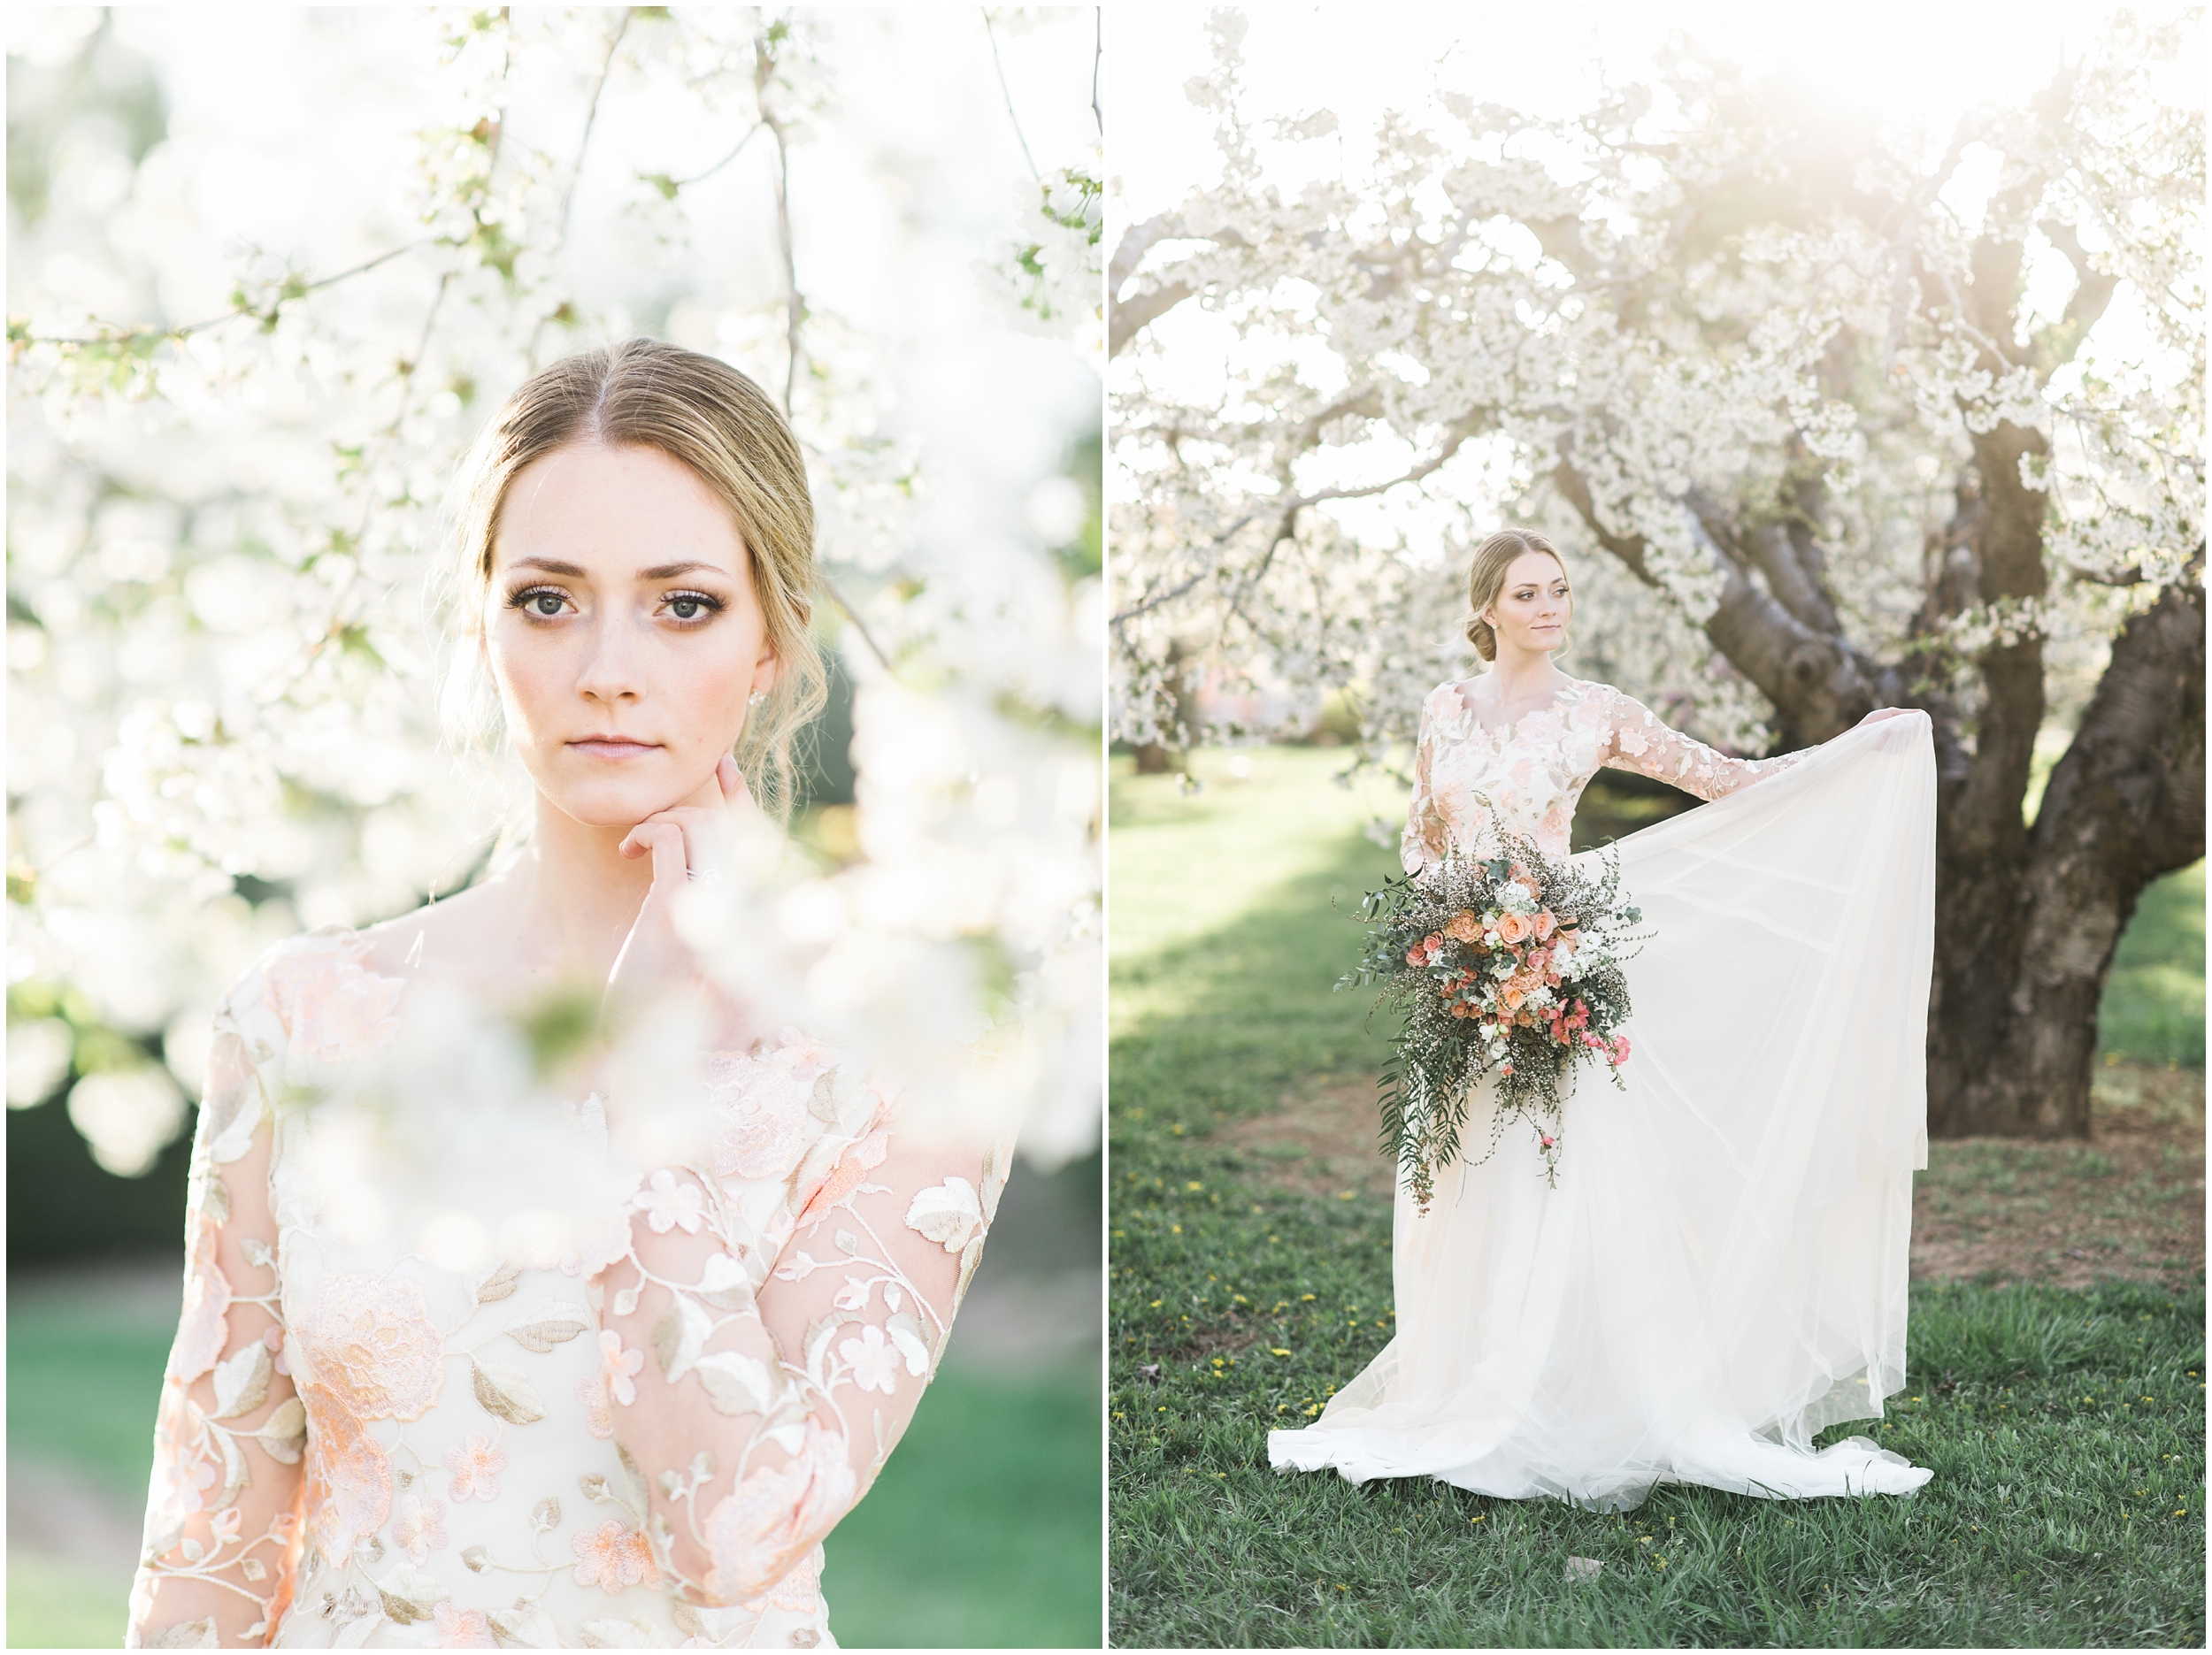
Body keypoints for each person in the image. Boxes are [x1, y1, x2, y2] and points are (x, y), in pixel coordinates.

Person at [127, 339, 1008, 1649]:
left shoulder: (907, 1049)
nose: (607, 666)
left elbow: (736, 1528)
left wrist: (631, 1063)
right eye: (548, 599)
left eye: (684, 603)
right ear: (482, 622)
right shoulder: (299, 1019)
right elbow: (212, 1553)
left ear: (771, 638)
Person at [1269, 526, 1937, 1508]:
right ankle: (1470, 1381)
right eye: (1528, 593)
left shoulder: (1597, 713)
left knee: (1557, 1178)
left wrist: (1851, 750)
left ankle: (1572, 1393)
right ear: (1488, 606)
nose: (1549, 608)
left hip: (1551, 966)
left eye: (1560, 591)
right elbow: (1423, 831)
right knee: (1460, 1181)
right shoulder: (1444, 708)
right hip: (1466, 973)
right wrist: (1447, 933)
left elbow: (1728, 779)